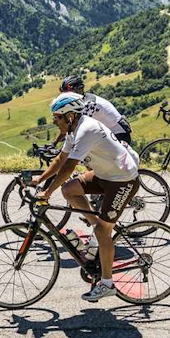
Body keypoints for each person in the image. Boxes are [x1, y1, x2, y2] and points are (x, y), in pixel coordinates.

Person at [33, 93, 140, 303]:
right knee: (69, 190)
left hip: (123, 180)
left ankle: (107, 283)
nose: (54, 121)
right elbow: (60, 159)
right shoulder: (72, 130)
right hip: (105, 175)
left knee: (103, 229)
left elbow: (69, 166)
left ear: (70, 116)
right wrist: (40, 179)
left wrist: (47, 193)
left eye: (57, 117)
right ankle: (96, 236)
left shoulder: (86, 130)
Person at [57, 74, 132, 144]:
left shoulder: (88, 104)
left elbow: (76, 129)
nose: (66, 97)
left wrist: (60, 150)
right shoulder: (82, 100)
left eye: (68, 93)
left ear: (78, 89)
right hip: (108, 134)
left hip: (119, 134)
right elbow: (69, 126)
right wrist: (54, 144)